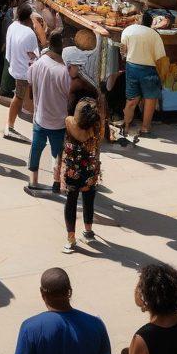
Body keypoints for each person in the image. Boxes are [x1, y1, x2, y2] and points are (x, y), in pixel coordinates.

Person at [26, 32, 74, 195]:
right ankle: (56, 183)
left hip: (40, 118)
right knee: (58, 153)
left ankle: (33, 181)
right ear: (63, 47)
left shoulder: (38, 63)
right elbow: (70, 96)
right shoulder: (64, 72)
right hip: (59, 121)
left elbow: (30, 82)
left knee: (36, 150)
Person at [61, 98, 106, 253]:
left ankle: (71, 238)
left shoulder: (69, 123)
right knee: (88, 200)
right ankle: (88, 230)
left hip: (72, 170)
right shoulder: (96, 129)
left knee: (71, 202)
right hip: (90, 169)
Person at [120, 14, 167, 141]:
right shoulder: (154, 35)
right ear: (150, 23)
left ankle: (126, 127)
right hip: (149, 70)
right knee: (150, 99)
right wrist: (162, 76)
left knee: (131, 100)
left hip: (131, 67)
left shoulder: (128, 30)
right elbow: (160, 58)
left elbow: (123, 51)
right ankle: (145, 128)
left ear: (137, 21)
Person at [4, 3, 39, 142]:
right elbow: (33, 55)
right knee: (19, 97)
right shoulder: (29, 33)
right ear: (29, 17)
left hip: (15, 65)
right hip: (24, 71)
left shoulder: (12, 26)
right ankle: (9, 126)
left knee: (19, 97)